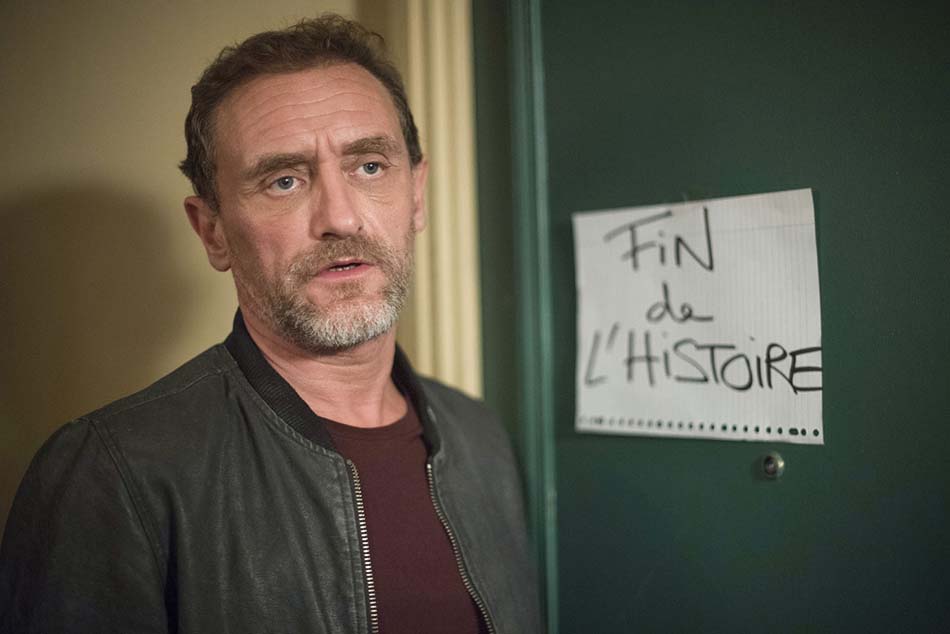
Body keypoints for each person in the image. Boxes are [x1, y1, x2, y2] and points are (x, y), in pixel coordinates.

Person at [0, 15, 540, 634]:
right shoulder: (112, 472)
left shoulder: (479, 438)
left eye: (369, 166)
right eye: (284, 180)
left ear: (416, 195)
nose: (340, 218)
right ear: (213, 231)